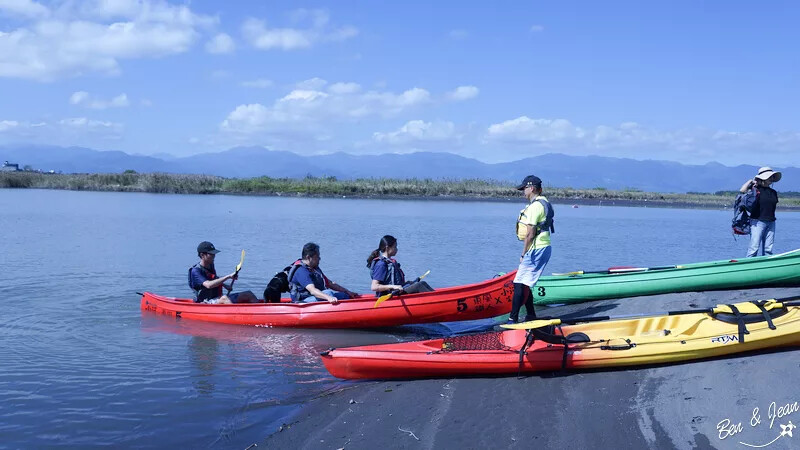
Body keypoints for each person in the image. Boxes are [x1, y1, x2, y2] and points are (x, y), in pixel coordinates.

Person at [508, 175, 554, 324]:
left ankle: (512, 319)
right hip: (544, 246)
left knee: (519, 282)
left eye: (525, 188)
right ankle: (531, 314)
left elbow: (530, 233)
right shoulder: (544, 201)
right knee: (525, 282)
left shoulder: (535, 207)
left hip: (537, 248)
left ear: (532, 188)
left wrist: (523, 253)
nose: (523, 191)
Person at [188, 241, 259, 304]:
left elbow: (213, 278)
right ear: (202, 255)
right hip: (204, 302)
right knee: (224, 298)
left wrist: (225, 286)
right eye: (211, 254)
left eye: (214, 254)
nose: (214, 256)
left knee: (249, 294)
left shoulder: (211, 265)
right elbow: (208, 285)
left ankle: (259, 311)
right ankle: (236, 317)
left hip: (216, 298)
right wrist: (228, 277)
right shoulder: (196, 271)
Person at [289, 242, 358, 304]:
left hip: (315, 298)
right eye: (317, 256)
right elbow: (312, 290)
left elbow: (330, 284)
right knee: (328, 293)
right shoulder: (301, 271)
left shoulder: (315, 268)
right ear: (308, 257)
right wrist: (328, 297)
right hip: (303, 302)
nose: (319, 258)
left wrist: (347, 291)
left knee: (344, 295)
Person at [366, 235, 434, 296]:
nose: (397, 249)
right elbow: (374, 287)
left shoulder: (389, 262)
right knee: (419, 286)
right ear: (387, 248)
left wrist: (406, 283)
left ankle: (437, 296)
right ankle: (436, 299)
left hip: (396, 291)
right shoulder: (381, 264)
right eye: (395, 247)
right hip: (390, 295)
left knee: (422, 283)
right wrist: (393, 286)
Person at [740, 167, 782, 257]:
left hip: (771, 222)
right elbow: (742, 190)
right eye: (769, 177)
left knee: (768, 249)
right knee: (753, 248)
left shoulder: (773, 192)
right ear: (763, 178)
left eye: (772, 177)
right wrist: (751, 181)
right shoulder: (755, 190)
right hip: (757, 222)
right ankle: (749, 266)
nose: (771, 179)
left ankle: (767, 267)